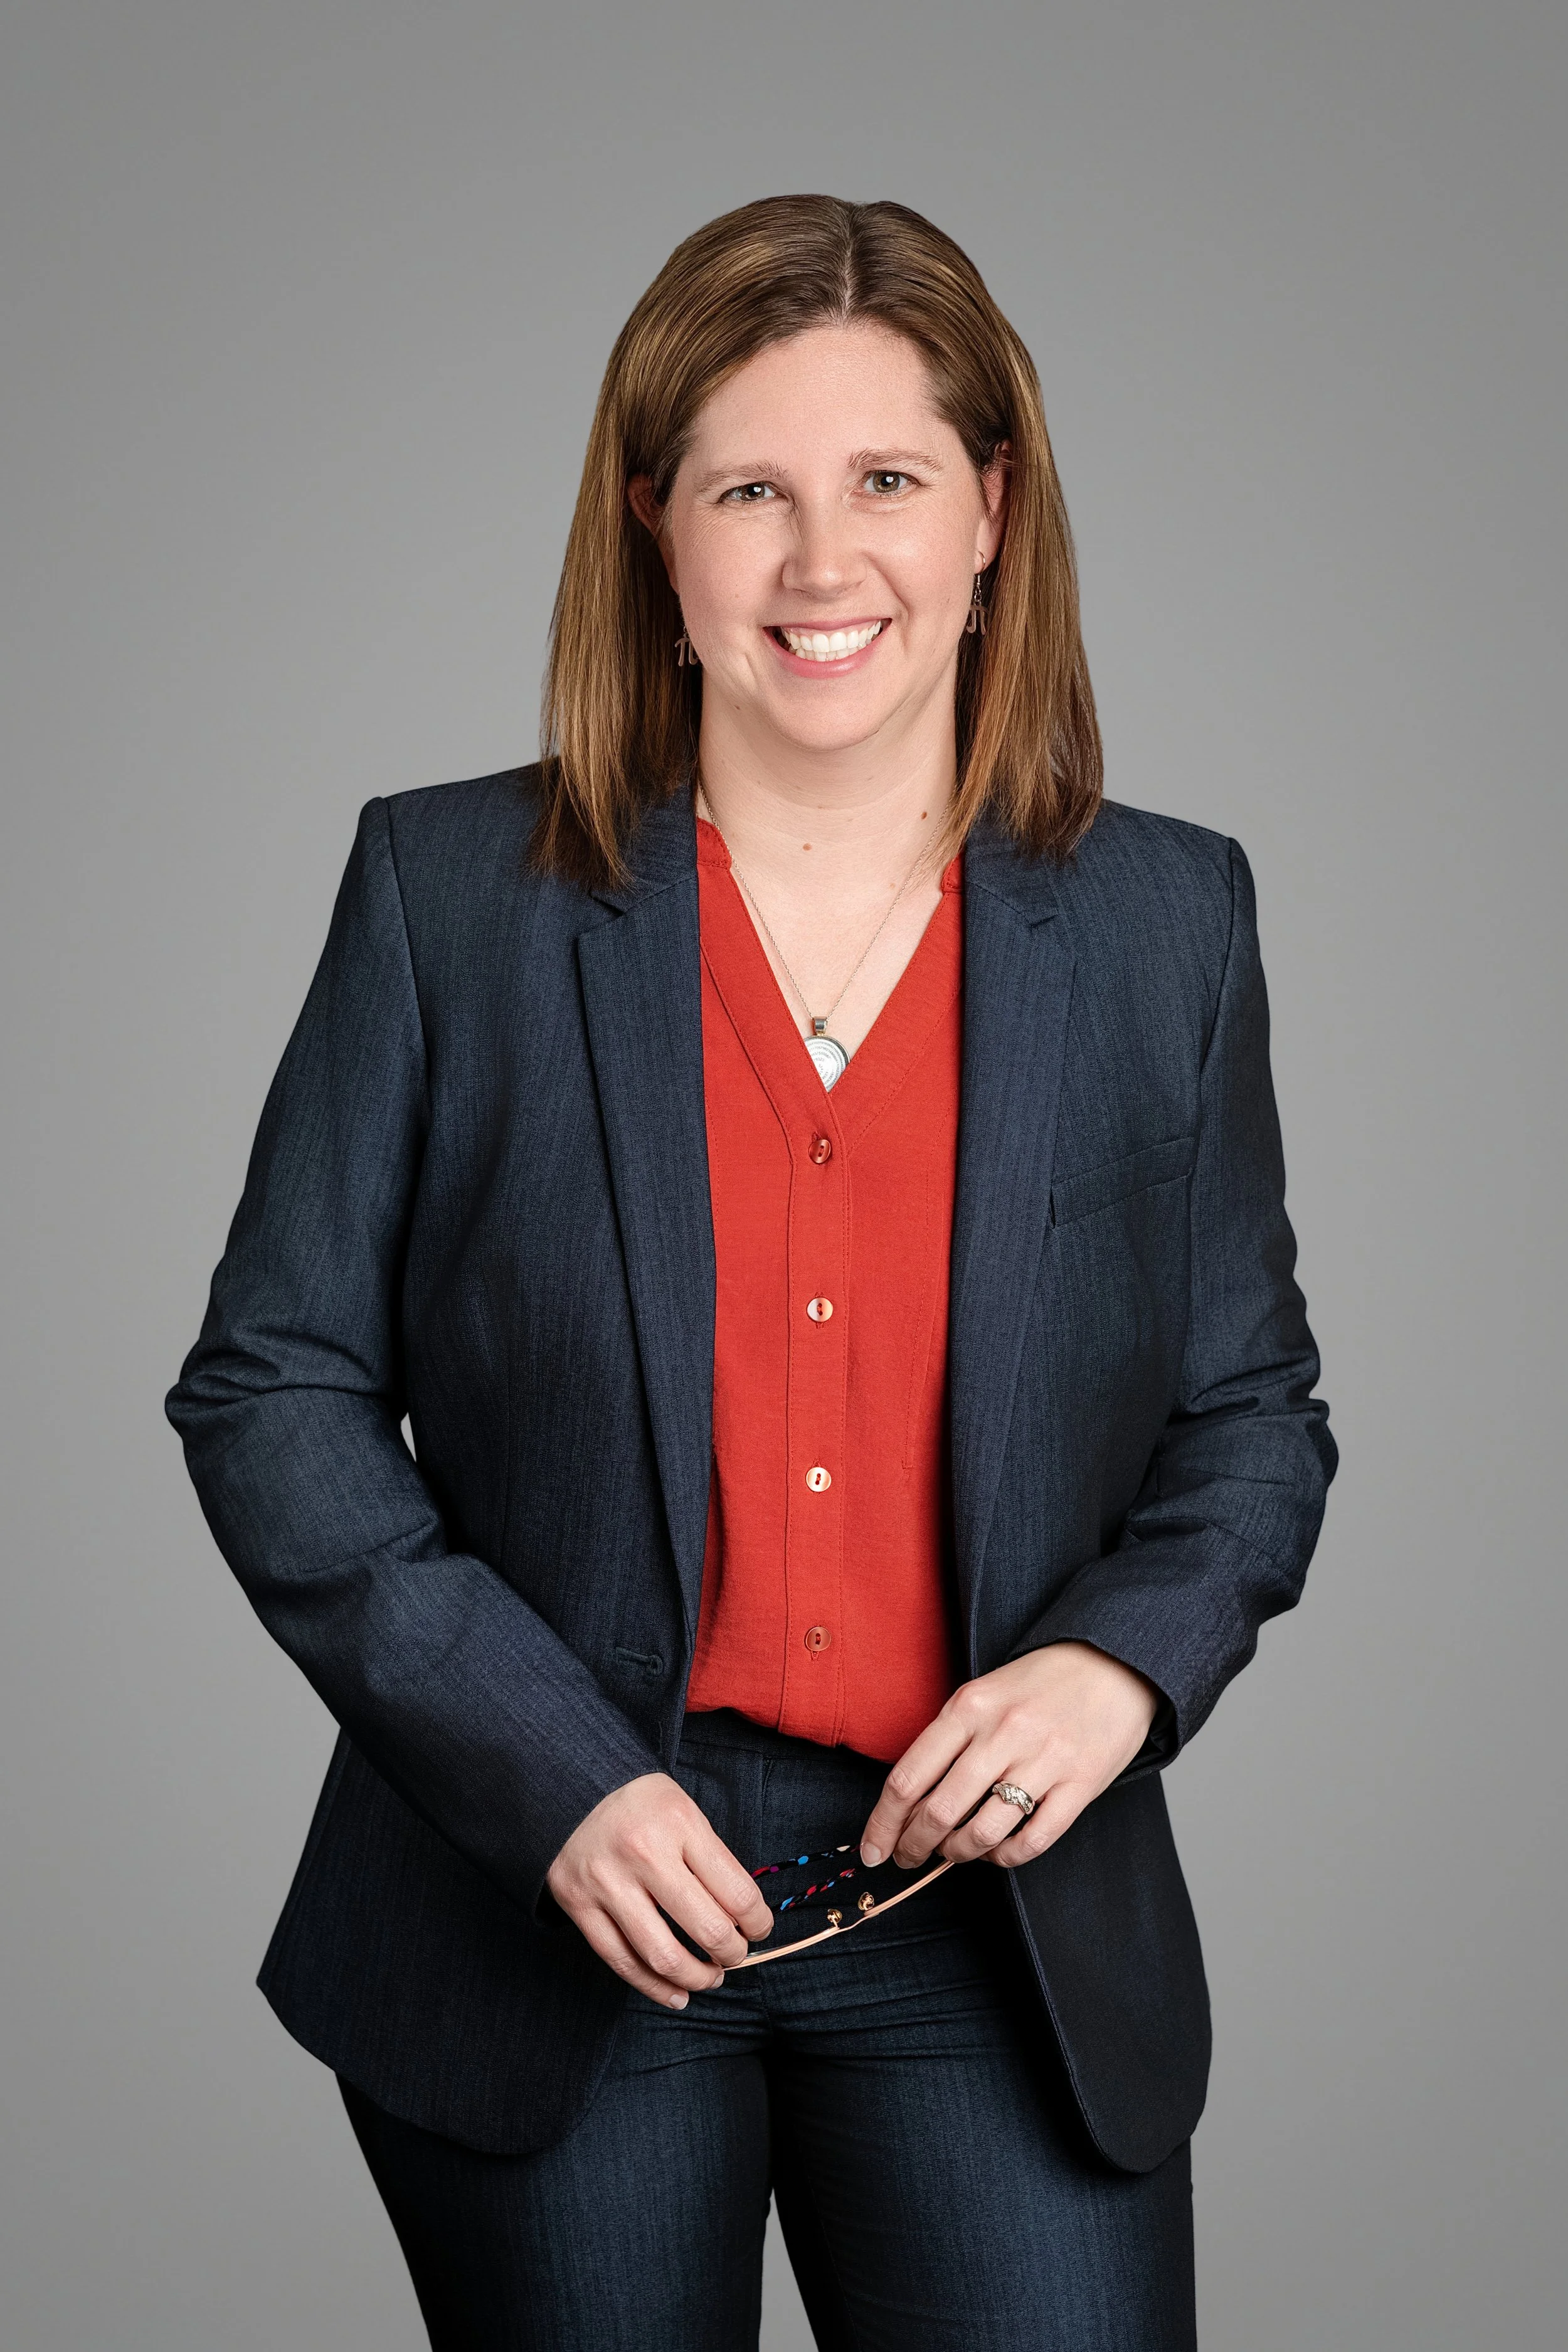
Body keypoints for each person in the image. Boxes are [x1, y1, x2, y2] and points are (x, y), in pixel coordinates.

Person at [167, 194, 1335, 2351]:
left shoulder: (1169, 924)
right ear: (653, 529)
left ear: (993, 512)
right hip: (556, 1905)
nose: (822, 563)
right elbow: (273, 1389)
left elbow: (1247, 1417)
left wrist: (1119, 1671)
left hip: (993, 1919)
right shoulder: (449, 897)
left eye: (887, 479)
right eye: (748, 490)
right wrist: (555, 1776)